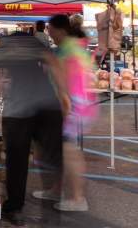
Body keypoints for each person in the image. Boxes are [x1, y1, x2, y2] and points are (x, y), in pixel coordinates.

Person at [0, 33, 63, 224]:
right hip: (47, 105)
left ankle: (14, 207)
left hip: (19, 110)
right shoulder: (35, 45)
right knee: (51, 152)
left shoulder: (6, 46)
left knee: (16, 160)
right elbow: (53, 62)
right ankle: (57, 190)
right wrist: (63, 94)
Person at [41, 14, 97, 212]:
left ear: (60, 30)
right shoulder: (70, 46)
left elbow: (65, 80)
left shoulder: (70, 49)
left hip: (72, 106)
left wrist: (65, 104)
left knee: (69, 152)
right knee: (60, 150)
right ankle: (56, 190)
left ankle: (77, 198)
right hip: (71, 104)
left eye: (51, 29)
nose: (49, 33)